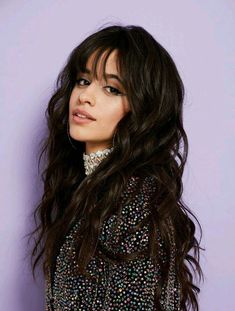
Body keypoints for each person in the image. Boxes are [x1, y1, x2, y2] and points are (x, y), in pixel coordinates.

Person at [30, 24, 203, 310]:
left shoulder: (135, 208)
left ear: (143, 110)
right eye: (83, 80)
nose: (84, 96)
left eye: (111, 88)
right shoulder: (90, 194)